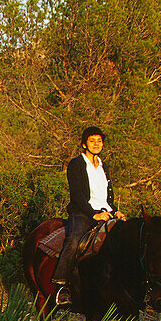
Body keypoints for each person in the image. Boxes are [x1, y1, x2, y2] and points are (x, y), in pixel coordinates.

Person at [51, 126, 127, 306]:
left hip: (106, 212)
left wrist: (115, 211)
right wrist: (94, 215)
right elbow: (77, 194)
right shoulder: (76, 164)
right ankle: (62, 286)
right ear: (84, 144)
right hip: (83, 212)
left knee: (127, 239)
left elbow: (108, 195)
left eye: (99, 141)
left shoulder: (103, 166)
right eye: (92, 141)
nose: (96, 144)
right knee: (74, 240)